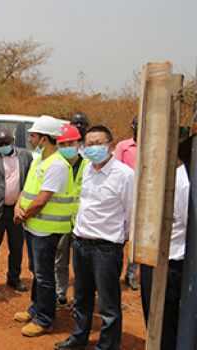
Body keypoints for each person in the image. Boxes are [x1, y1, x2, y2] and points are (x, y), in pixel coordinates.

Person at [54, 125, 133, 350]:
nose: (93, 148)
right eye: (89, 144)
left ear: (111, 145)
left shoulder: (125, 175)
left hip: (106, 248)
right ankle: (79, 337)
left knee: (108, 305)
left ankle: (106, 346)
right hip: (80, 243)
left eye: (98, 143)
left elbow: (131, 212)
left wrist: (118, 238)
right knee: (81, 298)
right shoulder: (87, 169)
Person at [13, 115, 75, 337]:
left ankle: (45, 319)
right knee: (37, 272)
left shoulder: (57, 164)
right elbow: (28, 189)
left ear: (45, 138)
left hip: (46, 230)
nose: (30, 138)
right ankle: (35, 308)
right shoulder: (39, 159)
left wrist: (23, 215)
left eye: (33, 135)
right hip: (32, 227)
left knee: (44, 275)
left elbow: (42, 199)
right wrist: (18, 206)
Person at [140, 148, 189, 350]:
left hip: (165, 262)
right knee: (159, 324)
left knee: (165, 325)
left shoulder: (179, 181)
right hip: (159, 261)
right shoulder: (174, 181)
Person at [0, 129, 32, 294]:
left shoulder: (25, 156)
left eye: (6, 143)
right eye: (0, 144)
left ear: (13, 141)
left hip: (17, 211)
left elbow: (29, 183)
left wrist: (25, 207)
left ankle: (14, 278)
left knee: (17, 247)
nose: (3, 146)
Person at [54, 125, 90, 307]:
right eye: (63, 144)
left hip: (81, 225)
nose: (67, 147)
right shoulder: (55, 165)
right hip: (60, 222)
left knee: (81, 266)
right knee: (59, 261)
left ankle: (80, 300)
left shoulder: (89, 166)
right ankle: (60, 294)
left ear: (78, 144)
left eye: (71, 143)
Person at [114, 116, 139, 290]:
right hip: (125, 197)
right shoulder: (123, 146)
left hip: (144, 198)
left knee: (137, 238)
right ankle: (113, 273)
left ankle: (131, 274)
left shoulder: (154, 146)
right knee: (121, 235)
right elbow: (117, 170)